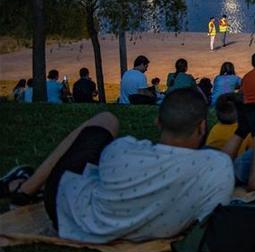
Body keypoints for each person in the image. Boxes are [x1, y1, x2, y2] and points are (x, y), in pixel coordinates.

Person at [1, 88, 233, 243]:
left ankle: (25, 189)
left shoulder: (122, 152)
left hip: (67, 212)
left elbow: (101, 168)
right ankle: (25, 186)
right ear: (202, 127)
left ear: (157, 122)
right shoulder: (219, 170)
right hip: (136, 224)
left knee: (106, 120)